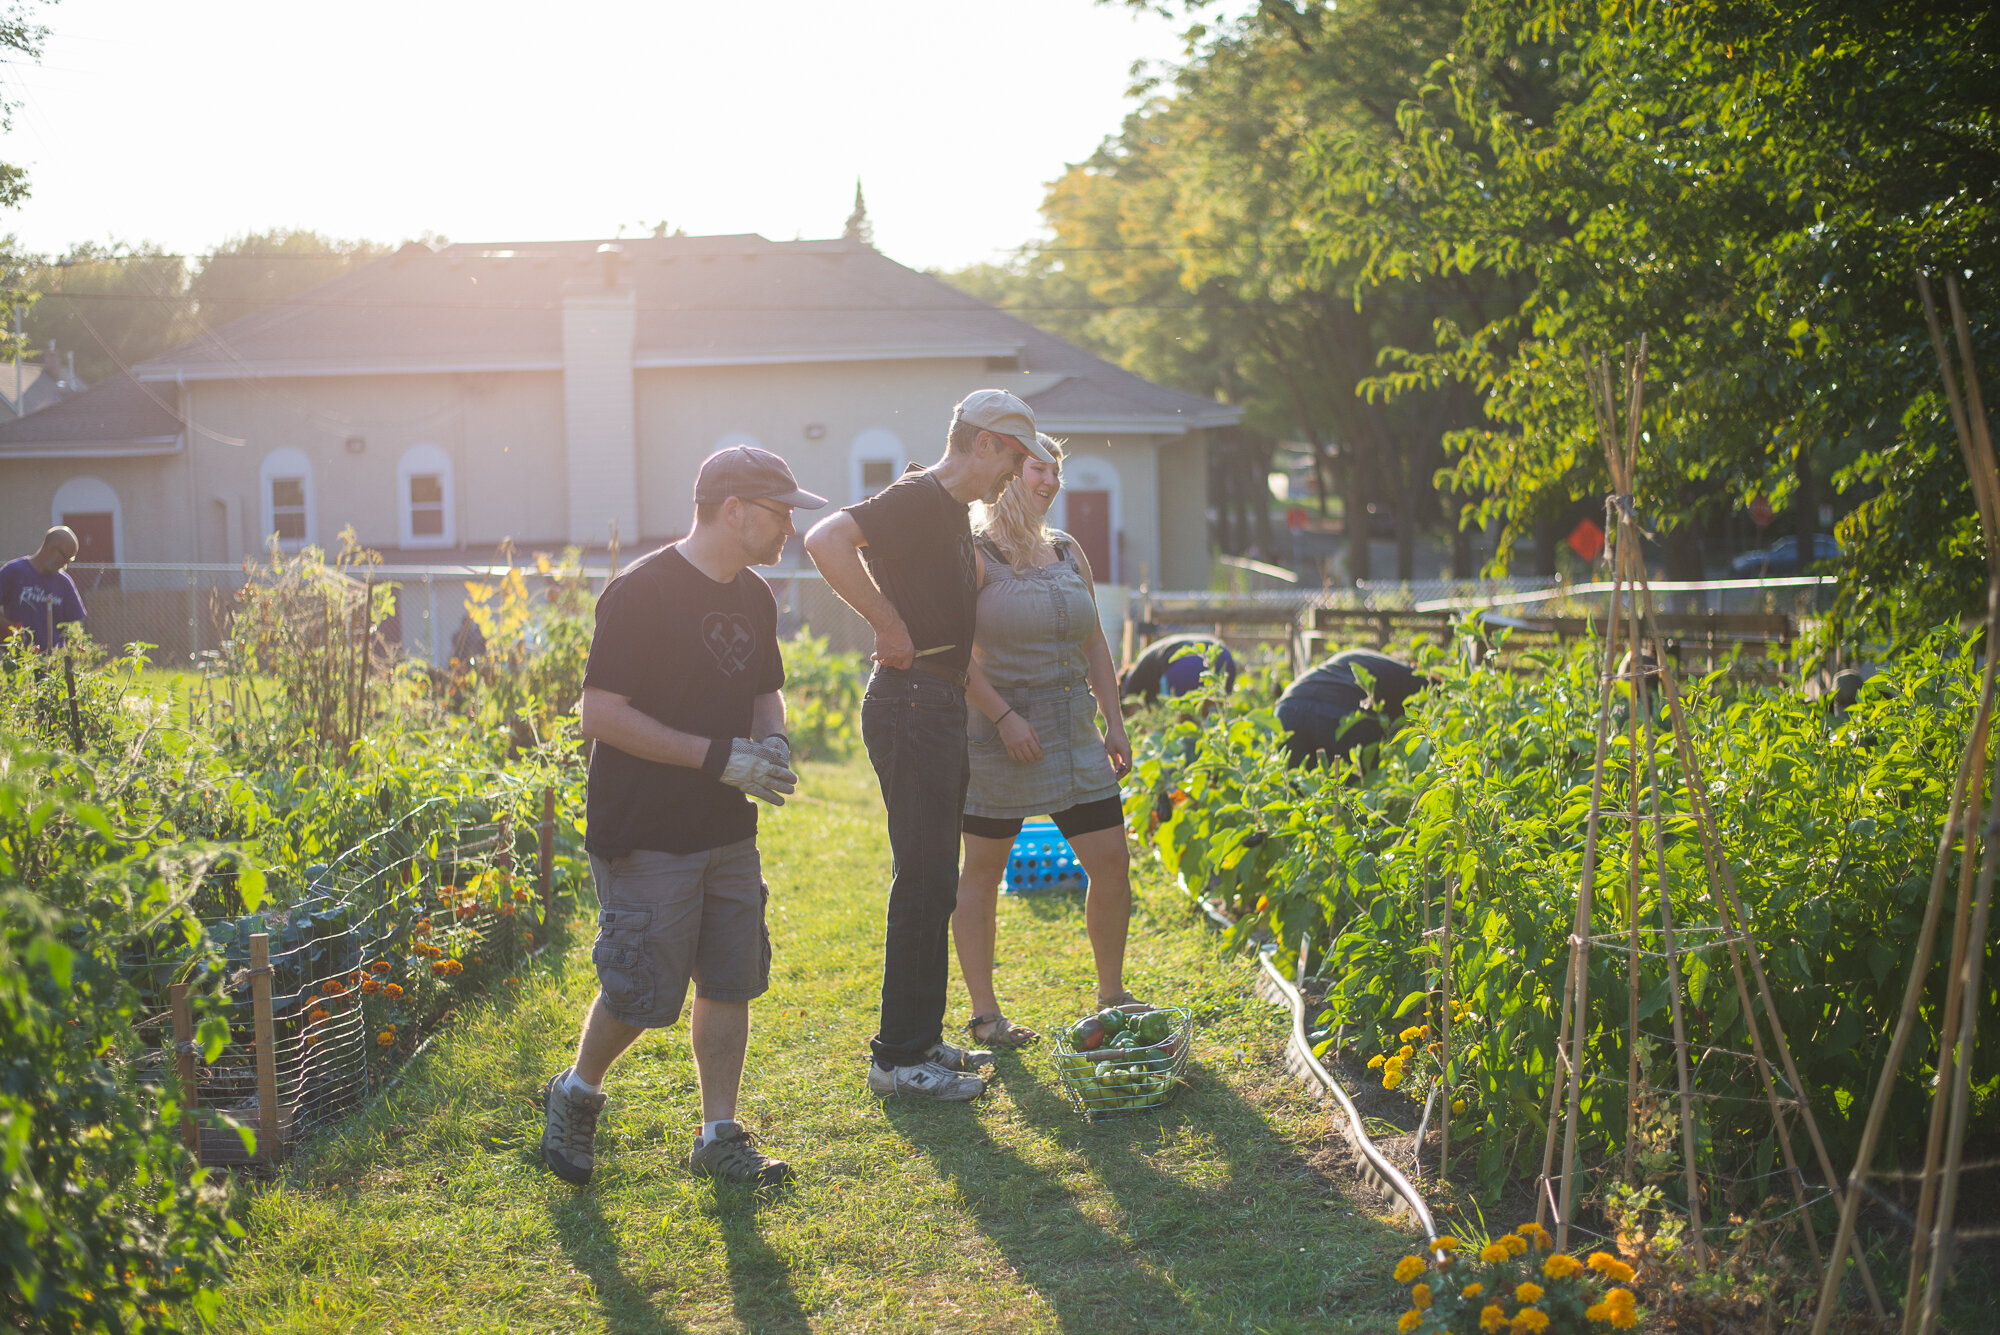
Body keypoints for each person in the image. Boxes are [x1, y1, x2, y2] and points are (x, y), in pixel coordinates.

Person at [541, 445, 824, 1190]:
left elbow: (766, 688)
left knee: (732, 977)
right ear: (733, 510)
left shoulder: (755, 595)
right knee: (642, 991)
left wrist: (771, 743)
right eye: (779, 511)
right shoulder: (642, 593)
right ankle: (576, 1092)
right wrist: (714, 758)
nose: (789, 526)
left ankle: (718, 1133)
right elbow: (598, 715)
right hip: (646, 830)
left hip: (727, 829)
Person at [804, 388, 1056, 1101]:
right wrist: (886, 624)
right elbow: (824, 540)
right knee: (921, 877)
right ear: (981, 443)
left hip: (936, 700)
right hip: (910, 700)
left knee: (935, 877)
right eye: (1010, 456)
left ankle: (918, 1037)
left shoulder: (950, 514)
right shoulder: (917, 495)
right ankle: (895, 1060)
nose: (1013, 473)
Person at [953, 434, 1139, 1049]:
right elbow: (952, 656)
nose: (1050, 482)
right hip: (999, 738)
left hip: (1071, 732)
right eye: (1038, 469)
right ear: (1007, 471)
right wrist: (1004, 717)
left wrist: (1113, 720)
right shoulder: (974, 554)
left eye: (1056, 472)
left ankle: (1112, 995)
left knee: (1111, 863)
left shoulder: (1065, 549)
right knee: (981, 873)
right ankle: (985, 1015)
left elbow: (1093, 642)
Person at [1275, 649, 1429, 769]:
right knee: (1355, 793)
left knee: (1299, 791)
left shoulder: (1381, 664)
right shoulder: (1419, 681)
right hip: (1338, 711)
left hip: (1288, 708)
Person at [0, 526, 86, 651]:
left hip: (53, 664)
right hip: (19, 660)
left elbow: (76, 625)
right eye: (65, 558)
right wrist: (7, 627)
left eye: (70, 560)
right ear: (51, 549)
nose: (66, 565)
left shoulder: (64, 583)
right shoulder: (14, 571)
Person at [1120, 633, 1237, 706]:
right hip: (1223, 655)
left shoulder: (1131, 679)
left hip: (1185, 665)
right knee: (1215, 712)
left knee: (1184, 719)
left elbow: (1133, 713)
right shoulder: (1147, 660)